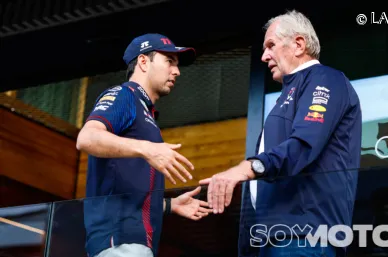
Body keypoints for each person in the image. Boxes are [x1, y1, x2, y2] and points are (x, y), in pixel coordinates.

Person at [199, 10, 362, 257]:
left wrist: (244, 169)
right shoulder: (288, 94)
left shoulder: (325, 79)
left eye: (271, 45)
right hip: (275, 240)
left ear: (298, 44)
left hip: (304, 238)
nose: (264, 56)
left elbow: (304, 145)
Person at [77, 33, 213, 257]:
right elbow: (87, 138)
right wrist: (148, 149)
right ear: (143, 61)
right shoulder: (124, 95)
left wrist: (170, 205)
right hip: (118, 241)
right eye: (169, 61)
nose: (176, 71)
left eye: (177, 65)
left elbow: (128, 191)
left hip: (132, 242)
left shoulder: (144, 111)